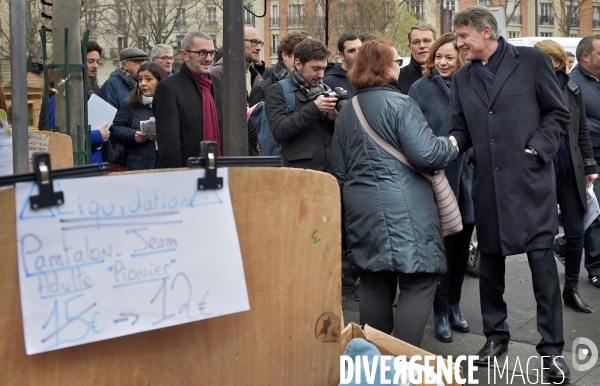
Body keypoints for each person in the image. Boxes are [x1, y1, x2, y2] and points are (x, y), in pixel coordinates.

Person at [448, 7, 571, 379]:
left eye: (463, 36)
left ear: (486, 32)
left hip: (531, 184)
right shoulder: (462, 78)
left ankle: (552, 350)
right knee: (490, 268)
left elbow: (558, 114)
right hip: (488, 185)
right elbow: (461, 129)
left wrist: (538, 147)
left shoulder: (532, 61)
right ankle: (495, 336)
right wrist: (448, 144)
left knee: (543, 269)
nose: (458, 44)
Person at [332, 39, 457, 347]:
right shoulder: (400, 104)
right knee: (420, 278)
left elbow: (339, 169)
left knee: (375, 282)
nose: (399, 65)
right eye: (395, 61)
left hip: (361, 209)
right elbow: (426, 155)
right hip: (406, 206)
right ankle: (403, 365)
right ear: (383, 67)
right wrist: (450, 144)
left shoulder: (348, 110)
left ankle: (374, 363)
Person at [408, 32, 474, 343]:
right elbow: (412, 135)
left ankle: (456, 303)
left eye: (449, 57)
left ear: (461, 57)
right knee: (442, 251)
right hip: (439, 180)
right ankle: (440, 310)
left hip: (471, 179)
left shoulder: (475, 85)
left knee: (463, 249)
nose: (443, 62)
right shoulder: (420, 89)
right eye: (439, 56)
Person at [534, 40, 597, 314]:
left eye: (547, 60)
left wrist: (590, 165)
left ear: (558, 62)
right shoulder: (527, 91)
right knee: (543, 236)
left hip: (571, 170)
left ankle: (571, 288)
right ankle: (547, 296)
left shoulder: (573, 89)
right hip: (542, 170)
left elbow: (581, 130)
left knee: (575, 232)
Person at [555, 35, 600, 290]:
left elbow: (587, 123)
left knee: (585, 222)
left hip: (590, 161)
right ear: (586, 57)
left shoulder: (587, 84)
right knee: (594, 218)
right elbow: (581, 128)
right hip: (580, 162)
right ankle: (595, 268)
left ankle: (562, 248)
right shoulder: (575, 84)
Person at [265, 38, 337, 172]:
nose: (321, 75)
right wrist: (315, 108)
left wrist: (335, 118)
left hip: (330, 176)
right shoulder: (277, 90)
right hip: (298, 177)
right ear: (298, 64)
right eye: (315, 69)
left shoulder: (326, 89)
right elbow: (279, 131)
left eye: (323, 69)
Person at [153, 31, 223, 167]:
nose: (208, 58)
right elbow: (169, 145)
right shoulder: (168, 89)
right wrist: (178, 178)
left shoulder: (219, 84)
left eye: (211, 53)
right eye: (202, 53)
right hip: (187, 174)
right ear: (185, 55)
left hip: (220, 169)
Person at [247, 32, 310, 155]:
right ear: (285, 55)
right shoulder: (263, 89)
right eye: (299, 57)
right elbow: (255, 135)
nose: (302, 62)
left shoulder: (311, 87)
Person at [111, 63, 167, 171]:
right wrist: (133, 135)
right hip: (136, 164)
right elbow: (116, 128)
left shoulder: (170, 103)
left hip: (163, 163)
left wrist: (164, 134)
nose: (143, 84)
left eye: (148, 79)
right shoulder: (129, 104)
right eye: (140, 80)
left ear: (160, 81)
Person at [211, 27, 263, 99]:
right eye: (254, 42)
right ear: (238, 42)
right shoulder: (218, 73)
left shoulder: (257, 76)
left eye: (260, 43)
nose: (259, 48)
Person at [399, 23, 436, 94]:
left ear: (436, 43)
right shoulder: (398, 78)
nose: (422, 46)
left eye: (427, 40)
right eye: (416, 42)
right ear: (410, 47)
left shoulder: (448, 74)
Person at [323, 33, 362, 99]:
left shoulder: (370, 77)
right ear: (341, 55)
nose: (358, 54)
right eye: (351, 51)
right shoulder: (329, 82)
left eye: (360, 49)